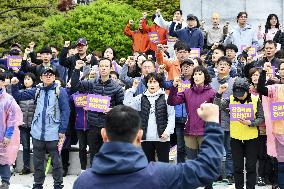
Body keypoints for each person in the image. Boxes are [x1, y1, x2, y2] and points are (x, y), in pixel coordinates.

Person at [73, 102, 224, 189]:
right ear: (139, 136)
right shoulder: (160, 175)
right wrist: (212, 122)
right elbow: (208, 169)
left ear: (104, 134)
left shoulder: (83, 182)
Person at [11, 68, 70, 189]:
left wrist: (62, 130)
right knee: (38, 162)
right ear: (41, 77)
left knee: (56, 162)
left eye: (51, 75)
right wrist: (15, 84)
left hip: (53, 133)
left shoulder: (61, 91)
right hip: (37, 132)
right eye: (45, 75)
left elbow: (66, 111)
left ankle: (58, 185)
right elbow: (18, 95)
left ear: (54, 77)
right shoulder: (37, 90)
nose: (48, 76)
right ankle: (38, 185)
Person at [71, 58, 124, 164]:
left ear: (110, 68)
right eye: (101, 66)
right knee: (94, 156)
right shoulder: (91, 83)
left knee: (108, 155)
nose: (103, 68)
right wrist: (76, 69)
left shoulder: (117, 87)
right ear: (98, 68)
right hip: (93, 126)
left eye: (106, 66)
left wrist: (111, 110)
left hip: (108, 127)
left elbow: (121, 108)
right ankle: (95, 178)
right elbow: (75, 86)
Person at [124, 73, 175, 162]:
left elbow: (171, 115)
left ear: (159, 83)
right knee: (148, 165)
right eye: (150, 82)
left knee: (164, 165)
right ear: (146, 84)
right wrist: (133, 89)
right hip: (146, 138)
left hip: (162, 137)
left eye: (155, 82)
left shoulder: (166, 98)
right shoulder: (141, 98)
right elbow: (127, 103)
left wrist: (168, 131)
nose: (152, 84)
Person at [168, 66, 215, 159]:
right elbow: (172, 102)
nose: (197, 76)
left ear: (205, 76)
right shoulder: (187, 92)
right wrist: (174, 87)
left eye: (200, 74)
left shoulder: (212, 93)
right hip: (190, 131)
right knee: (191, 160)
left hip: (205, 132)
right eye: (195, 74)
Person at [230, 77, 264, 189]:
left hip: (252, 138)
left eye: (241, 93)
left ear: (247, 90)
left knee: (251, 166)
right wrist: (219, 94)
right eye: (236, 93)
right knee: (238, 167)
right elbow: (217, 105)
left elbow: (261, 117)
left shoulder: (255, 99)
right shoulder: (230, 99)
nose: (238, 96)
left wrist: (251, 122)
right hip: (236, 138)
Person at [257, 62, 284, 189]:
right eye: (282, 69)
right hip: (279, 132)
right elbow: (261, 89)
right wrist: (263, 72)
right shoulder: (276, 88)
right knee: (282, 165)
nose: (283, 71)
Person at [211, 56, 235, 184]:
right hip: (215, 121)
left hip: (230, 121)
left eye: (225, 64)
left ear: (230, 68)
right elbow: (210, 101)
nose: (222, 66)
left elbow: (237, 100)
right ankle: (217, 174)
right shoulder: (211, 82)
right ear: (216, 66)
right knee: (216, 149)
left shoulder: (234, 82)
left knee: (230, 150)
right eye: (220, 64)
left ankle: (230, 174)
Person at [0, 73, 23, 189]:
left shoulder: (8, 99)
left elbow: (13, 118)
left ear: (3, 83)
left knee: (3, 159)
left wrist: (8, 135)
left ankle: (5, 182)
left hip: (3, 134)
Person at [18, 72, 37, 175]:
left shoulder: (36, 93)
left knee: (36, 147)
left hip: (34, 125)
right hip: (23, 125)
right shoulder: (20, 93)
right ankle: (26, 167)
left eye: (29, 79)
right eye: (25, 79)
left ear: (33, 81)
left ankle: (37, 169)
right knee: (25, 147)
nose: (26, 81)